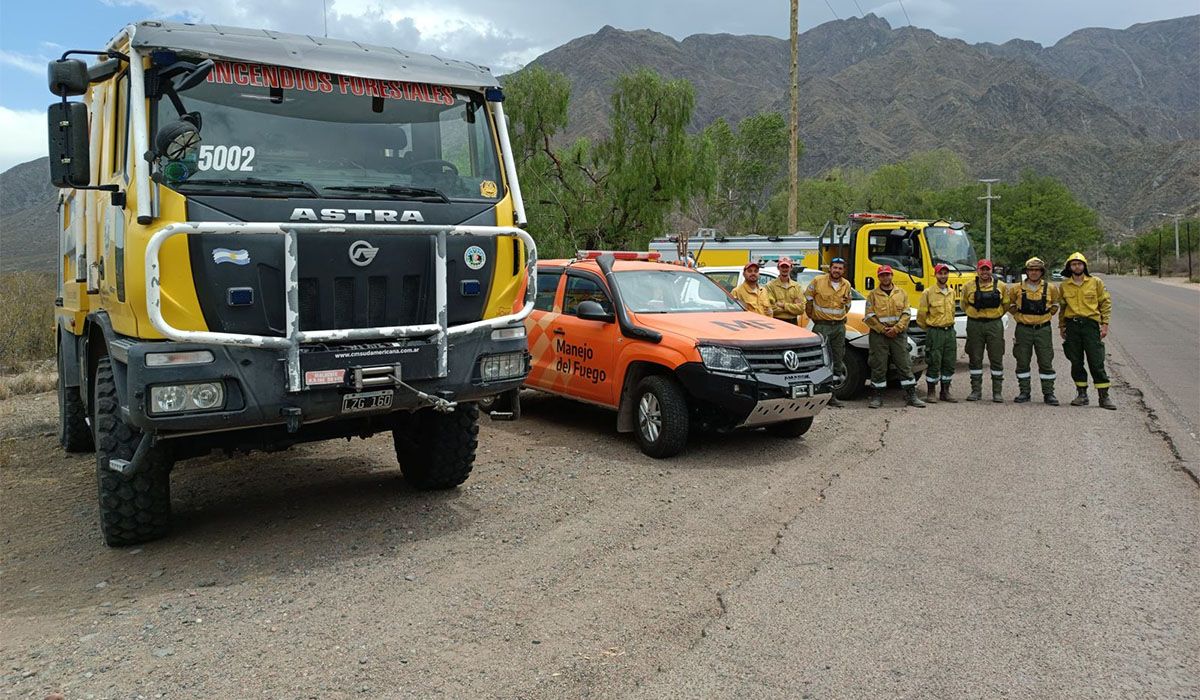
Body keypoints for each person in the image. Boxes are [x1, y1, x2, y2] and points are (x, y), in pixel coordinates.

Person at [1059, 252, 1115, 409]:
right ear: (1069, 267)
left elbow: (1105, 303)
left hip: (1090, 325)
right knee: (1076, 361)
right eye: (1073, 264)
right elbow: (1063, 308)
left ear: (1084, 266)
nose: (1077, 267)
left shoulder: (1095, 282)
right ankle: (1081, 394)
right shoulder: (1064, 286)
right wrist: (1062, 326)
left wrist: (1105, 324)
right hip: (1072, 325)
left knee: (1096, 361)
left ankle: (1104, 397)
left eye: (1079, 264)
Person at [863, 265, 924, 409]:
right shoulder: (872, 295)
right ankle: (877, 396)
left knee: (904, 364)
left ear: (892, 276)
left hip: (898, 335)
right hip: (879, 335)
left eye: (888, 274)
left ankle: (911, 395)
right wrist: (883, 329)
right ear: (879, 277)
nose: (885, 277)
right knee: (879, 365)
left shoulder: (901, 293)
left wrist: (896, 329)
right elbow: (869, 316)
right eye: (882, 275)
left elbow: (906, 313)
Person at [1008, 257, 1061, 405]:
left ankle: (1049, 394)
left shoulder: (1050, 288)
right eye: (1031, 270)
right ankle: (1024, 392)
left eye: (1037, 270)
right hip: (1023, 330)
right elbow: (1010, 304)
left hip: (1042, 330)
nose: (1034, 273)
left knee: (1045, 361)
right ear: (1026, 271)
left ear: (1041, 272)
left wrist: (1048, 315)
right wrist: (1018, 316)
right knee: (1022, 361)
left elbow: (1055, 304)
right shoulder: (1016, 288)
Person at [805, 257, 853, 407]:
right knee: (820, 360)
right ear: (830, 268)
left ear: (843, 270)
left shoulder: (846, 284)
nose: (837, 270)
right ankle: (817, 395)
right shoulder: (817, 281)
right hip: (822, 326)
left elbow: (848, 305)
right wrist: (814, 317)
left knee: (837, 360)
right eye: (835, 267)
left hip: (839, 326)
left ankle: (832, 395)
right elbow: (808, 299)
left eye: (840, 268)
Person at [961, 258, 1007, 402]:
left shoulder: (1001, 286)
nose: (985, 272)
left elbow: (1006, 304)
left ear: (991, 270)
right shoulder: (968, 286)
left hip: (994, 324)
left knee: (996, 358)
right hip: (975, 324)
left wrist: (995, 315)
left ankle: (997, 392)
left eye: (987, 269)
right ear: (978, 270)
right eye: (982, 269)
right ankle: (976, 391)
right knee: (975, 358)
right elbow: (964, 305)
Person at [916, 263, 958, 403]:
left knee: (949, 361)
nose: (943, 276)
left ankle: (945, 391)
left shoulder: (952, 292)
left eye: (946, 273)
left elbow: (952, 312)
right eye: (941, 273)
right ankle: (931, 392)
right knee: (934, 361)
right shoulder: (928, 293)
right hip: (935, 332)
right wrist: (931, 330)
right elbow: (921, 316)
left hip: (949, 331)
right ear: (936, 274)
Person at [766, 257, 806, 326]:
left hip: (793, 323)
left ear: (791, 268)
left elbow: (801, 309)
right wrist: (792, 307)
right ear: (778, 268)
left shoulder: (797, 286)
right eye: (782, 267)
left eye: (787, 267)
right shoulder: (770, 286)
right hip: (776, 322)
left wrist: (783, 305)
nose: (784, 269)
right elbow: (770, 308)